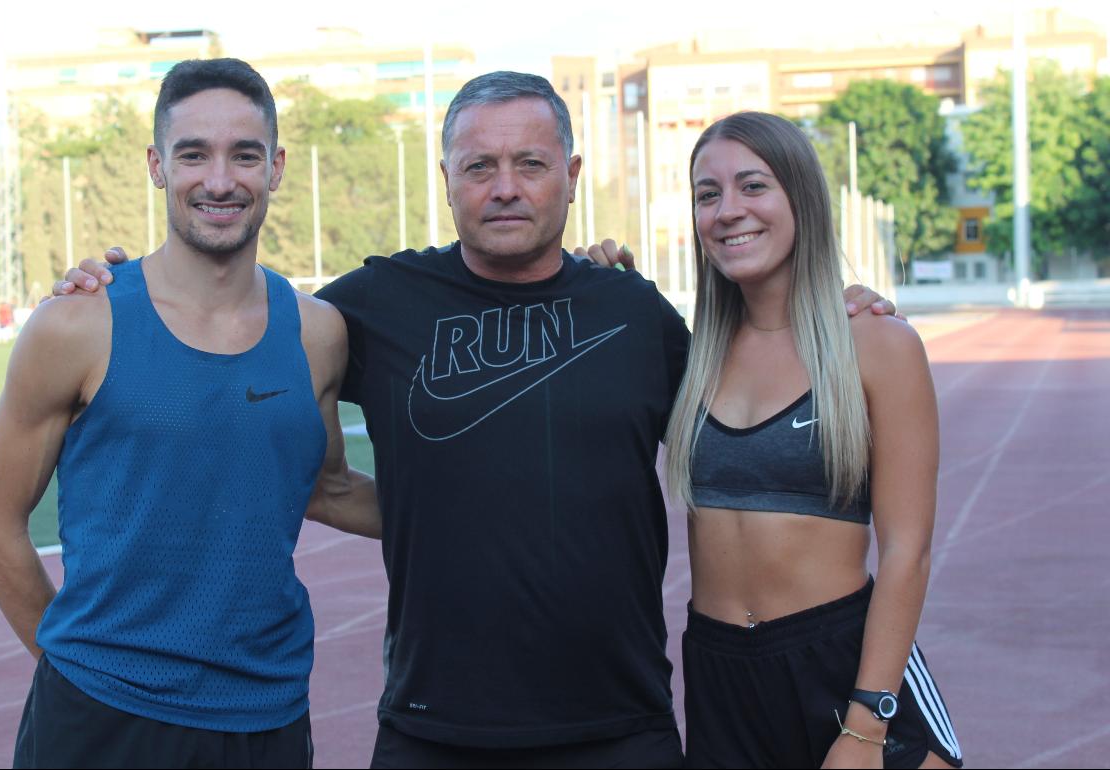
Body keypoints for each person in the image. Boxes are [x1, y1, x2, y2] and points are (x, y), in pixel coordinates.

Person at [57, 71, 897, 769]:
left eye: (529, 164)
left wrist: (833, 301)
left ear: (571, 175)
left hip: (622, 724)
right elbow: (230, 334)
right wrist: (121, 279)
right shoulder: (372, 306)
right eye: (479, 166)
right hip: (433, 727)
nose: (504, 188)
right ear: (447, 179)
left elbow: (736, 430)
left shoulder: (636, 312)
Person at [0, 58, 380, 770]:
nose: (219, 180)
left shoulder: (318, 333)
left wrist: (481, 508)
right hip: (101, 720)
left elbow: (323, 486)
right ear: (157, 166)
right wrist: (79, 670)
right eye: (193, 154)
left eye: (244, 155)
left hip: (268, 715)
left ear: (275, 167)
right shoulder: (77, 323)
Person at [665, 111, 961, 768]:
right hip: (720, 675)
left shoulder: (878, 344)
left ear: (801, 197)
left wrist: (865, 726)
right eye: (707, 195)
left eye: (753, 186)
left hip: (844, 669)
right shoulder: (690, 357)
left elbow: (907, 551)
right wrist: (603, 265)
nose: (728, 211)